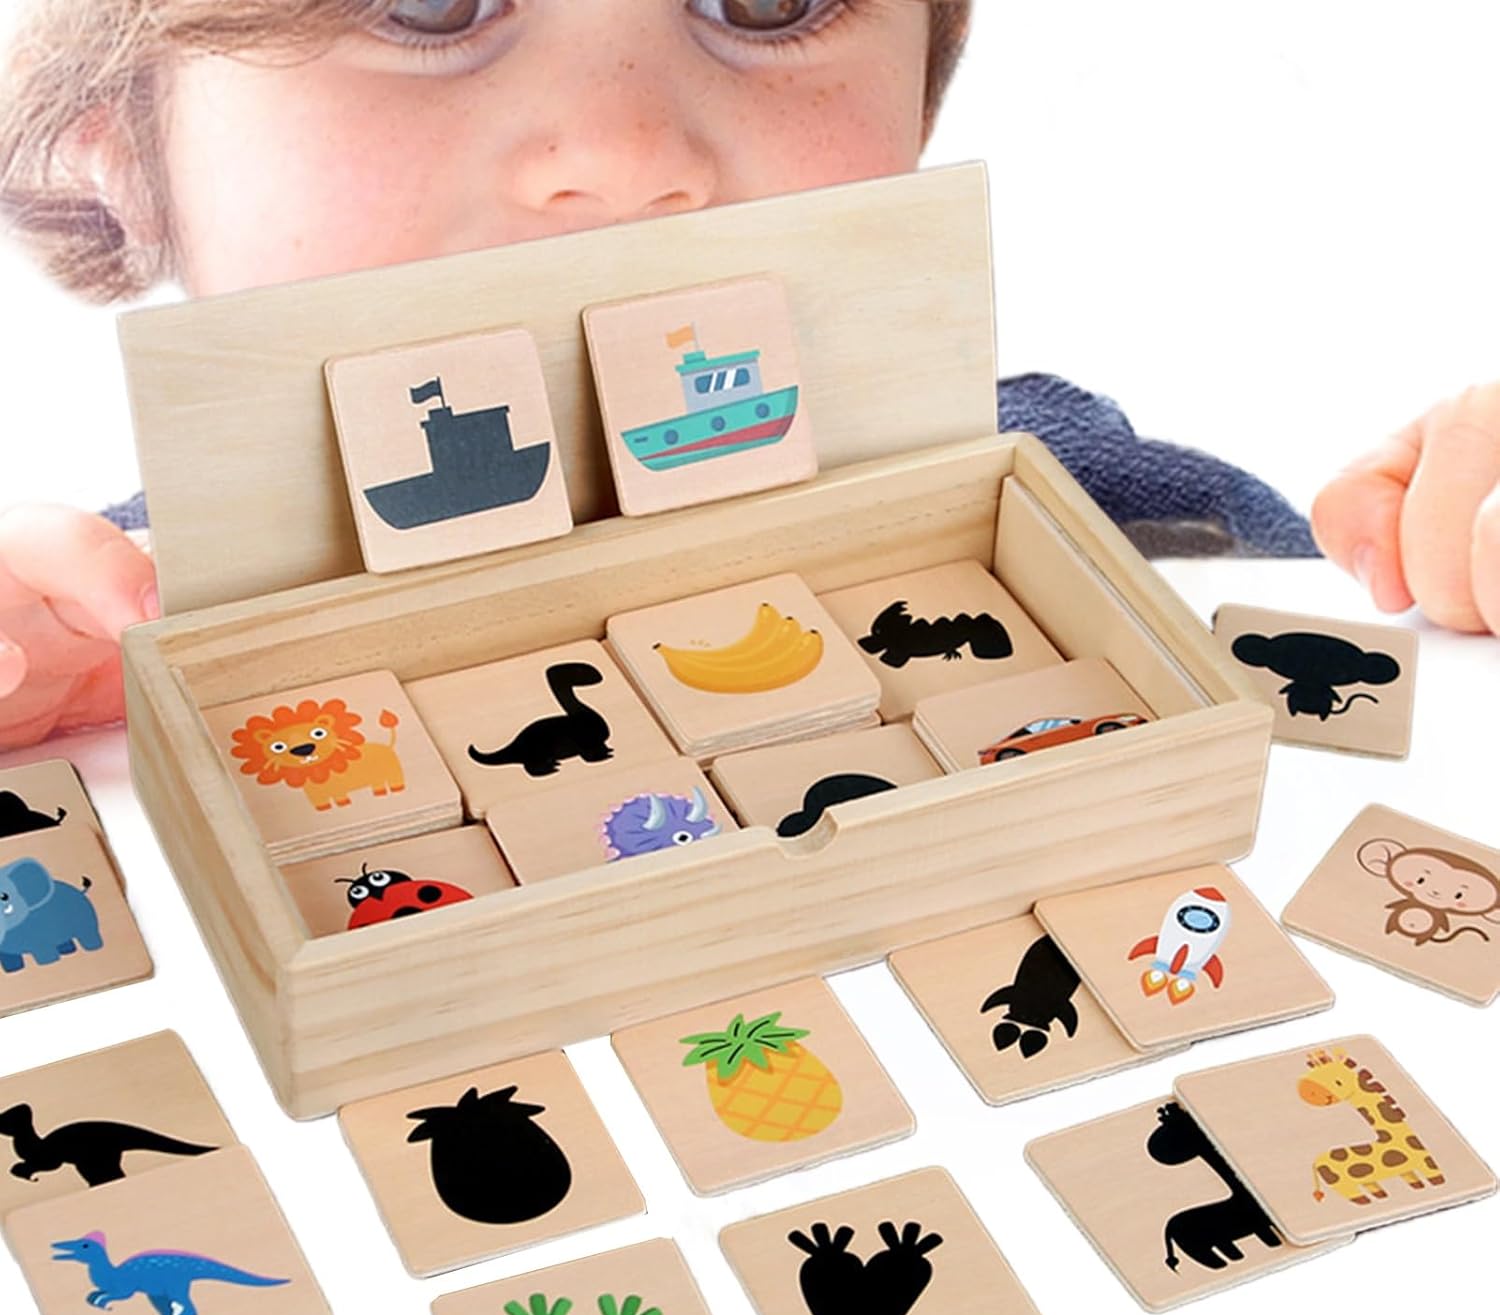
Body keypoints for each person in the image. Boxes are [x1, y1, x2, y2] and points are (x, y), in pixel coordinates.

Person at [0, 1, 1492, 753]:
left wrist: (1458, 545)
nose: (624, 155)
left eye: (766, 1)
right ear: (120, 148)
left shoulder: (1106, 510)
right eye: (428, 4)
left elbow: (1374, 713)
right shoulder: (79, 635)